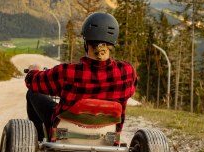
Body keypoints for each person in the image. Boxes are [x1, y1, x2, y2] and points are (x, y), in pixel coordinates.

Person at [25, 12, 137, 142]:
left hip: (64, 135)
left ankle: (39, 140)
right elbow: (133, 86)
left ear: (86, 41)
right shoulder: (127, 72)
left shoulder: (67, 72)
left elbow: (32, 83)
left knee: (32, 93)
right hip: (108, 138)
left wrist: (34, 70)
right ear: (112, 42)